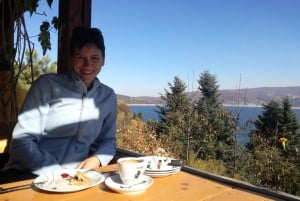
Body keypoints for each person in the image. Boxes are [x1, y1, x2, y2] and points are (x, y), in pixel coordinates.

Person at [1, 26, 117, 181]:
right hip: (27, 174)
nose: (87, 65)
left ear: (103, 59)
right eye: (80, 57)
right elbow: (21, 143)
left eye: (94, 58)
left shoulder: (107, 96)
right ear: (71, 59)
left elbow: (108, 140)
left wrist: (97, 159)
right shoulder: (46, 86)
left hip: (75, 179)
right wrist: (57, 173)